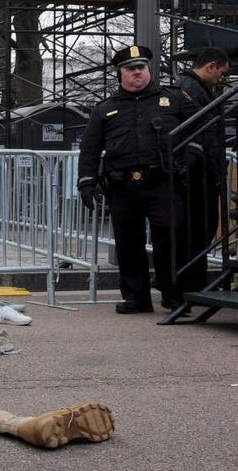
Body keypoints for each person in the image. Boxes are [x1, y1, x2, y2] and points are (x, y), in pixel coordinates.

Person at [77, 44, 195, 314]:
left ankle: (173, 295)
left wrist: (189, 164)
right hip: (122, 185)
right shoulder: (105, 109)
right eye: (131, 69)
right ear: (121, 74)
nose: (137, 73)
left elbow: (197, 131)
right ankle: (137, 298)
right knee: (128, 243)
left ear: (149, 70)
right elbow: (90, 149)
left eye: (141, 68)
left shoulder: (174, 99)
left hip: (163, 182)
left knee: (169, 239)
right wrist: (86, 181)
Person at [175, 47, 230, 294]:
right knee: (198, 228)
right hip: (199, 172)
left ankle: (193, 279)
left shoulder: (192, 88)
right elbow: (205, 134)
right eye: (221, 73)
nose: (221, 78)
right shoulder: (192, 89)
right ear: (210, 66)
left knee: (200, 228)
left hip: (200, 169)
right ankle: (191, 280)